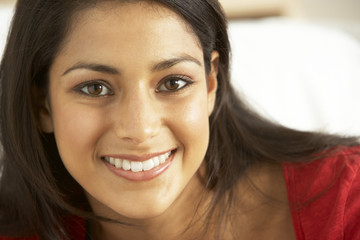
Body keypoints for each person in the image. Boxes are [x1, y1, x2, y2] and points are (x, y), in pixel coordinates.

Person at [0, 0, 359, 239]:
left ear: (210, 85)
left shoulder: (349, 201)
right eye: (95, 88)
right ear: (41, 104)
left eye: (173, 83)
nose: (140, 130)